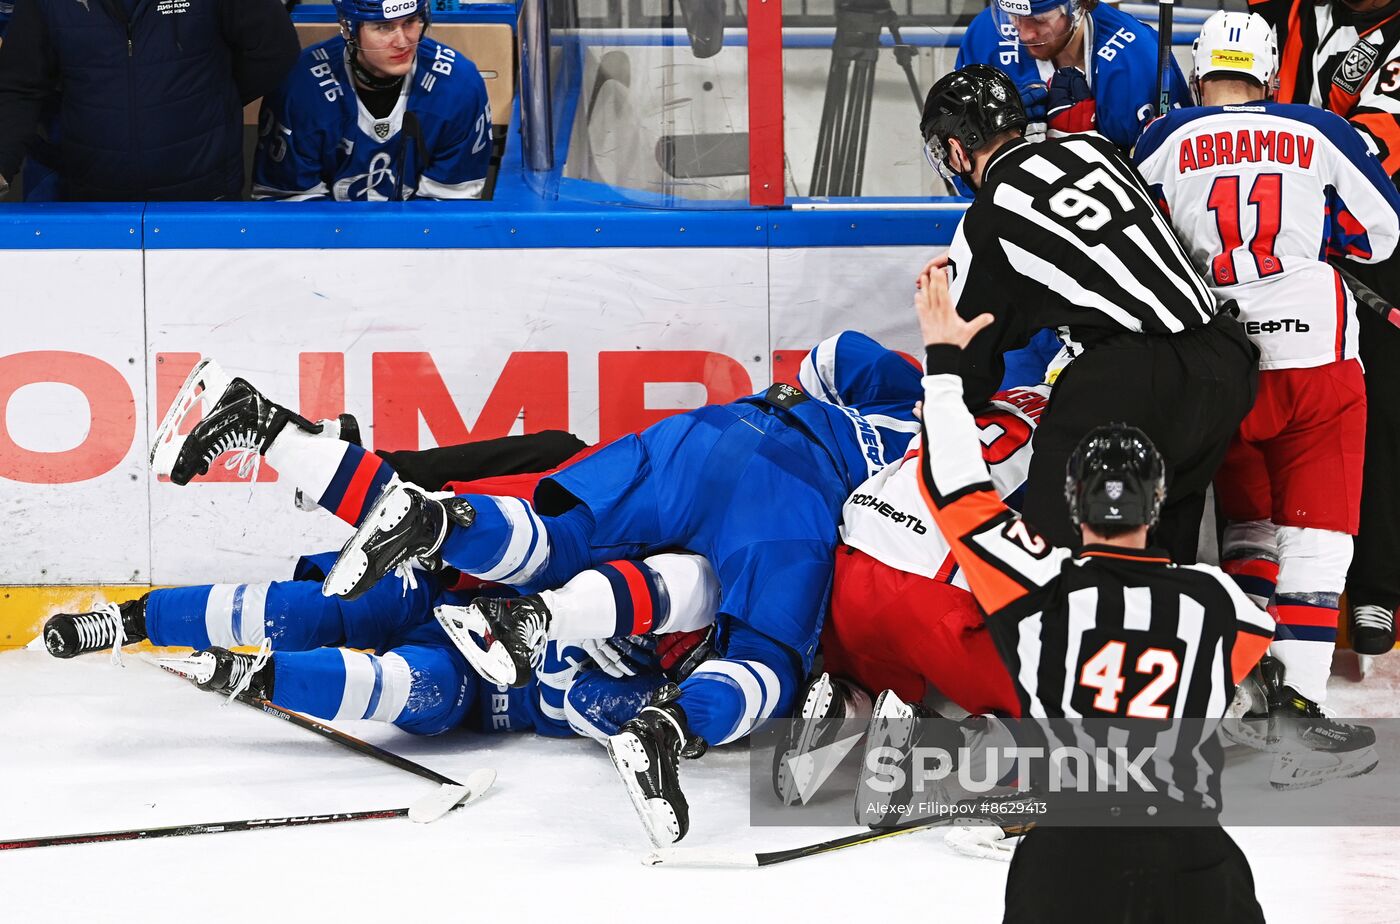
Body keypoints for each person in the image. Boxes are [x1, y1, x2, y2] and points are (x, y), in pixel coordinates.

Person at [156, 332, 924, 847]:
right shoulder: (957, 476)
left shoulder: (927, 398)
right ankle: (669, 728)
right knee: (761, 656)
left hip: (706, 434)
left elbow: (833, 357)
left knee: (551, 534)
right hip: (790, 497)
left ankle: (286, 438)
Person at [912, 260, 1272, 924]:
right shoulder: (1223, 606)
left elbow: (955, 488)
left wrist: (943, 370)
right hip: (1195, 855)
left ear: (1073, 503)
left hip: (1070, 857)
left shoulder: (1040, 588)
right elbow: (1242, 649)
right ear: (1158, 503)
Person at [1135, 12, 1400, 749]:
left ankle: (1246, 678)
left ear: (1199, 70)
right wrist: (1312, 235)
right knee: (1320, 530)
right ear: (1270, 70)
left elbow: (1140, 243)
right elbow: (1381, 232)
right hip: (1315, 354)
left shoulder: (1161, 137)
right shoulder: (1319, 129)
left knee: (1248, 523)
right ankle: (1300, 704)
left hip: (1219, 360)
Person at [918, 63, 1257, 563]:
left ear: (955, 148)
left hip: (1134, 381)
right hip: (1227, 358)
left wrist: (943, 402)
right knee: (1160, 557)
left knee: (1058, 566)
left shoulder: (986, 217)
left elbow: (968, 360)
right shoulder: (1097, 150)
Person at [1248, 0, 1400, 656]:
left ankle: (1376, 588)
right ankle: (1257, 580)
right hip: (1278, 234)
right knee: (1257, 400)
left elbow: (1375, 153)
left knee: (1378, 413)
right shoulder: (1294, 10)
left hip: (1373, 242)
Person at [0, 0, 299, 201]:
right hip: (93, 199)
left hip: (204, 197)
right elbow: (20, 84)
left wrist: (210, 100)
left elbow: (275, 51)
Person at [253, 0, 491, 201]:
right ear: (348, 28)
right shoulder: (300, 88)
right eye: (383, 27)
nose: (402, 41)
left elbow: (450, 213)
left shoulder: (459, 86)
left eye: (410, 21)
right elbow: (287, 211)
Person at [955, 0, 1189, 151]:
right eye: (1012, 17)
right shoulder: (984, 38)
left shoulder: (1137, 59)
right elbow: (956, 156)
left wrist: (1088, 157)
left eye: (1038, 20)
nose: (1025, 34)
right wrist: (1002, 144)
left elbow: (1167, 173)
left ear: (1079, 5)